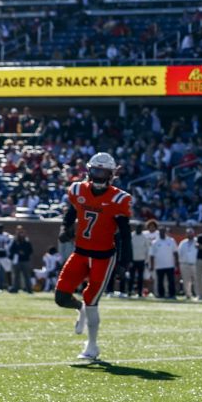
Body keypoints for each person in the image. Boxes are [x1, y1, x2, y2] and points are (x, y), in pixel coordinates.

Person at [53, 152, 132, 362]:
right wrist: (65, 228)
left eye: (103, 172)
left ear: (111, 174)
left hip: (104, 257)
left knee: (92, 300)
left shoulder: (118, 198)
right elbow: (71, 212)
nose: (98, 176)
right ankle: (79, 309)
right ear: (89, 171)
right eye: (95, 170)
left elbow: (125, 233)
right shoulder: (78, 189)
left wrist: (125, 261)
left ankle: (92, 346)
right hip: (80, 252)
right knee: (61, 297)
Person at [149, 225, 179, 299]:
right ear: (159, 232)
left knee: (171, 281)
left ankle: (172, 295)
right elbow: (151, 255)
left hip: (170, 265)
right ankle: (161, 294)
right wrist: (152, 266)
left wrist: (176, 263)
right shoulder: (155, 242)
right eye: (160, 231)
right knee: (160, 281)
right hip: (159, 265)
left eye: (163, 231)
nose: (162, 232)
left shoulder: (171, 240)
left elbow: (175, 253)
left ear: (165, 232)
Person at [10, 226, 34, 293]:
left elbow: (30, 250)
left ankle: (29, 289)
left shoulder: (27, 241)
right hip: (17, 261)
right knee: (16, 276)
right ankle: (15, 289)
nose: (20, 234)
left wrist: (24, 253)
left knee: (27, 276)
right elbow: (11, 250)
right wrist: (18, 252)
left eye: (21, 232)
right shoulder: (15, 241)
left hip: (25, 261)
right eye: (19, 232)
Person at [178, 227, 200, 300]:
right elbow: (179, 253)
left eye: (191, 233)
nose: (189, 234)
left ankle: (198, 294)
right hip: (185, 264)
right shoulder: (183, 243)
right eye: (188, 233)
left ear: (193, 234)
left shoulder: (197, 242)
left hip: (195, 264)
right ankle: (188, 294)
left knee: (197, 280)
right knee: (186, 280)